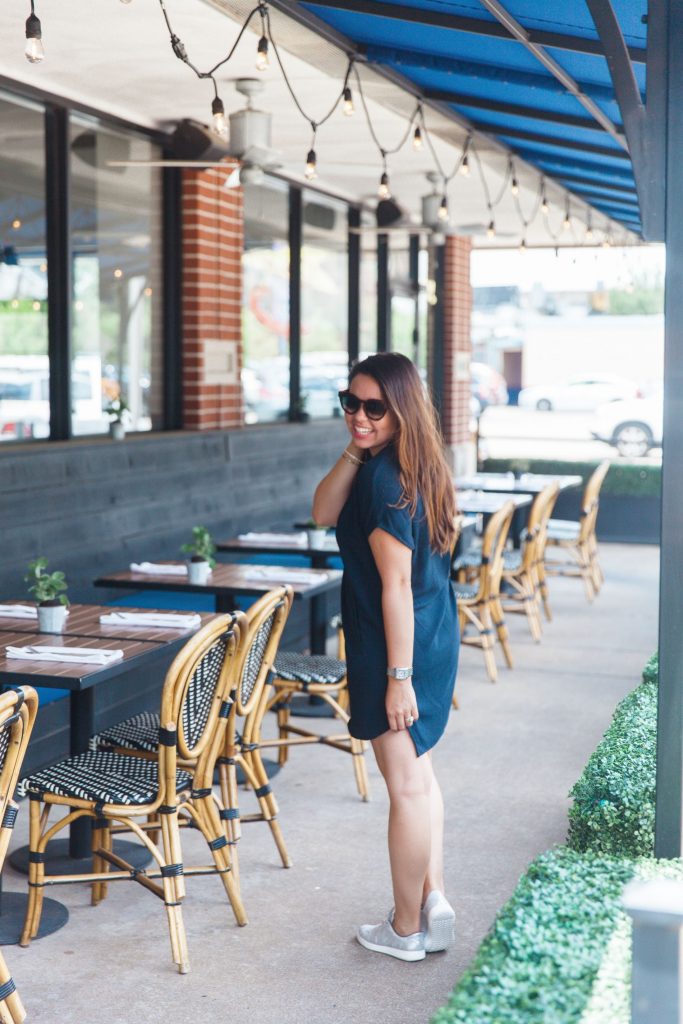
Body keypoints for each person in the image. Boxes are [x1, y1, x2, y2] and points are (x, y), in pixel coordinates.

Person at [312, 352, 459, 962]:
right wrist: (358, 444)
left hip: (396, 643)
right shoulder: (407, 466)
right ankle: (434, 901)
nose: (360, 416)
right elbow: (322, 512)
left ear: (401, 408)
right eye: (351, 403)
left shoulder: (383, 483)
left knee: (404, 786)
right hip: (429, 632)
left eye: (375, 407)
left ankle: (404, 930)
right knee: (420, 776)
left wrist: (398, 679)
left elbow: (394, 586)